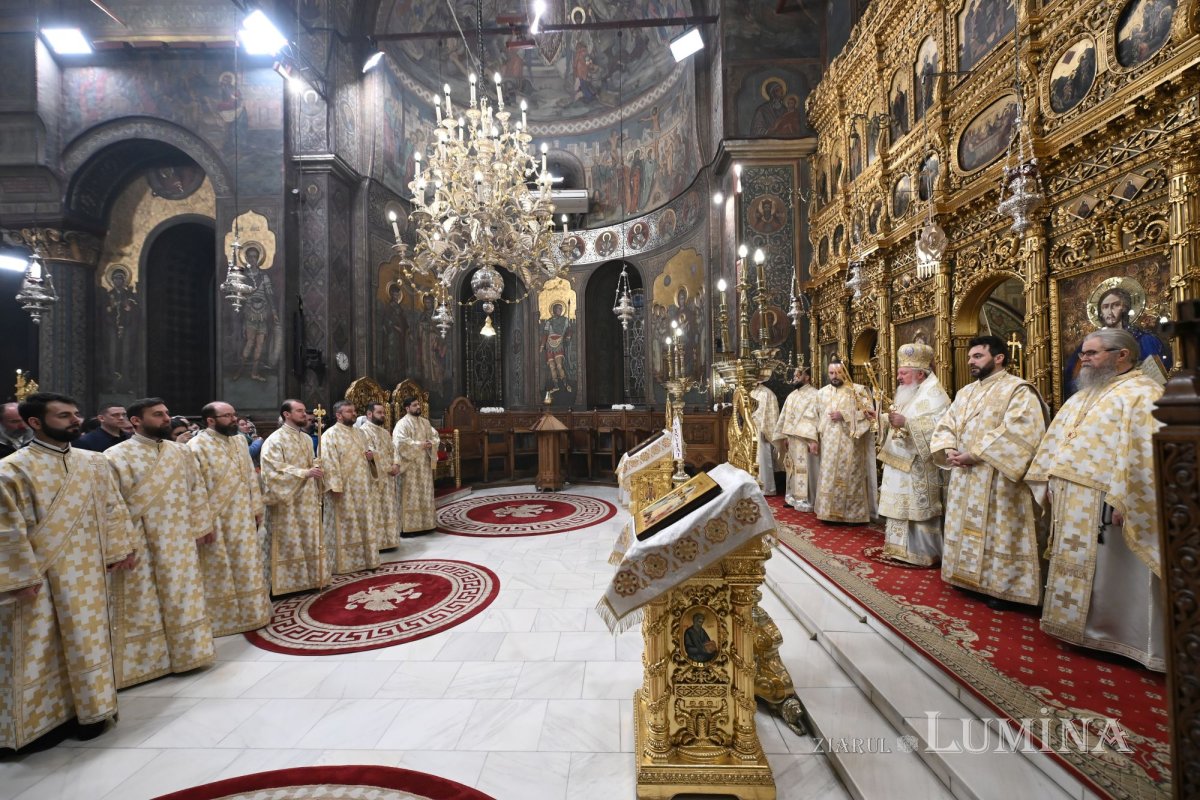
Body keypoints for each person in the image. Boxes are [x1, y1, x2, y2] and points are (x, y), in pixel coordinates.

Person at [0, 392, 137, 748]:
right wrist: (17, 577)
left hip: (87, 573)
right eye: (64, 416)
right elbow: (6, 528)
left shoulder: (94, 463)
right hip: (38, 577)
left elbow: (113, 507)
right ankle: (37, 726)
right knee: (37, 648)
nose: (75, 420)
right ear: (35, 422)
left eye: (76, 414)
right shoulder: (12, 468)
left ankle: (91, 710)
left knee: (86, 642)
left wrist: (120, 548)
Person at [1027, 329, 1165, 670]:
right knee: (1085, 569)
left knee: (1113, 572)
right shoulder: (1082, 395)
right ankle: (1081, 630)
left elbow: (1143, 451)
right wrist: (1046, 478)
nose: (1083, 359)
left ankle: (1119, 637)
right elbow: (1056, 440)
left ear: (1122, 355)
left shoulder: (1143, 393)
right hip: (1072, 498)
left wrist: (1127, 497)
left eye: (1092, 353)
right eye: (1083, 352)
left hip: (1108, 500)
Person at [104, 397, 215, 688]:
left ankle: (190, 653)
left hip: (179, 539)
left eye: (166, 413)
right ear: (135, 421)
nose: (166, 418)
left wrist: (202, 526)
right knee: (143, 600)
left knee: (182, 595)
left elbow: (196, 490)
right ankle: (148, 664)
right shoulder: (115, 457)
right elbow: (111, 507)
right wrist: (119, 548)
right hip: (141, 541)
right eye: (158, 414)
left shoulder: (181, 453)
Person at [931, 335, 1047, 607]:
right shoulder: (965, 392)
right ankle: (968, 579)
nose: (971, 361)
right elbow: (947, 424)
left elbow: (1022, 431)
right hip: (965, 474)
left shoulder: (1018, 390)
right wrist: (949, 449)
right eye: (970, 357)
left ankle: (1003, 588)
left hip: (998, 478)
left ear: (998, 358)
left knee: (1001, 529)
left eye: (978, 356)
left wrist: (976, 454)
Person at [188, 401, 271, 636]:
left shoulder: (237, 441)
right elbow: (195, 489)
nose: (234, 419)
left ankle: (254, 611)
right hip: (218, 519)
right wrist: (202, 524)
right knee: (220, 567)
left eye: (234, 415)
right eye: (227, 416)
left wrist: (256, 508)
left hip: (243, 515)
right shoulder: (196, 446)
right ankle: (225, 619)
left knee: (247, 563)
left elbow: (249, 476)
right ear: (211, 421)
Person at [878, 344, 951, 566]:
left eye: (903, 373)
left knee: (916, 509)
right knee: (899, 506)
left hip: (919, 465)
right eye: (899, 372)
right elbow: (897, 418)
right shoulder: (909, 392)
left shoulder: (936, 395)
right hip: (898, 462)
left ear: (920, 374)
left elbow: (941, 428)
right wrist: (881, 418)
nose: (899, 377)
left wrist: (907, 424)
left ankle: (923, 552)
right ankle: (897, 548)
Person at [260, 400, 330, 595]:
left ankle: (310, 578)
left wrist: (316, 467)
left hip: (306, 498)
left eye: (304, 411)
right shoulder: (275, 440)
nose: (305, 415)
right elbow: (272, 470)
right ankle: (286, 584)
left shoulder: (307, 439)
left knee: (308, 537)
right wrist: (304, 473)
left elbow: (310, 463)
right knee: (289, 539)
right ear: (286, 414)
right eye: (299, 411)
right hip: (286, 501)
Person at [796, 359, 878, 524]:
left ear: (845, 372)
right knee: (828, 478)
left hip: (851, 446)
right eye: (831, 373)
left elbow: (870, 414)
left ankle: (852, 516)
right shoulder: (822, 393)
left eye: (838, 373)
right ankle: (828, 514)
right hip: (828, 447)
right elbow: (812, 418)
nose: (834, 376)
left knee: (852, 478)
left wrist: (845, 415)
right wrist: (812, 440)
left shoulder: (859, 391)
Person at [1063, 286, 1172, 396]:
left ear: (1124, 308)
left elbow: (1159, 375)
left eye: (1115, 305)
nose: (1110, 311)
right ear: (1100, 312)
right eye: (1105, 307)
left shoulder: (1145, 339)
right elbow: (1073, 379)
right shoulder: (1089, 344)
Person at [321, 400, 381, 573]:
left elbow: (369, 456)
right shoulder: (330, 435)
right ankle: (345, 563)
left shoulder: (360, 433)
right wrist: (335, 487)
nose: (354, 414)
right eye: (349, 411)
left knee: (364, 522)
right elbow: (329, 463)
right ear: (339, 415)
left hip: (362, 487)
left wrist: (372, 457)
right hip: (343, 489)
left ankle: (366, 559)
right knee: (344, 525)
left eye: (354, 411)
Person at [392, 395, 439, 535]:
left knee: (424, 493)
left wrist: (431, 443)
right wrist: (420, 445)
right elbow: (400, 442)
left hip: (424, 464)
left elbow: (435, 436)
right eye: (414, 405)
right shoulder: (402, 424)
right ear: (407, 408)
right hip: (409, 466)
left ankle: (427, 523)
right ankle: (408, 528)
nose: (418, 407)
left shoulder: (425, 422)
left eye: (418, 404)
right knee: (410, 496)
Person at [774, 368, 820, 511]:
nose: (794, 378)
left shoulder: (815, 395)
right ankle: (792, 497)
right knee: (791, 468)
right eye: (794, 375)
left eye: (798, 375)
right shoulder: (792, 395)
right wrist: (786, 436)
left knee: (804, 469)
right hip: (792, 440)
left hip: (805, 439)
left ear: (807, 377)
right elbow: (786, 416)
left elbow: (814, 418)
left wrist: (812, 440)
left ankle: (805, 500)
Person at [358, 401, 401, 550]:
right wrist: (388, 467)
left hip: (389, 477)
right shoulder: (363, 432)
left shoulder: (384, 432)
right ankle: (379, 543)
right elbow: (369, 455)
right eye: (379, 413)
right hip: (375, 478)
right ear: (369, 414)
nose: (383, 415)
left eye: (383, 413)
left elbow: (394, 450)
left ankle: (390, 540)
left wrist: (396, 464)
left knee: (389, 507)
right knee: (377, 509)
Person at [749, 378, 783, 494]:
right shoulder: (749, 392)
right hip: (748, 430)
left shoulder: (768, 393)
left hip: (762, 431)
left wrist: (768, 432)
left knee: (763, 459)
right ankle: (750, 487)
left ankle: (766, 488)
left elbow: (772, 414)